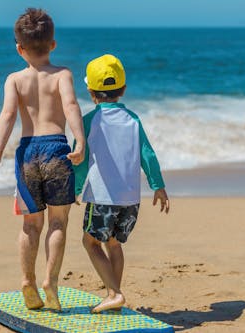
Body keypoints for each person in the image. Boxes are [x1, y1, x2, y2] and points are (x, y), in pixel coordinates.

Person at [0, 8, 85, 311]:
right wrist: (79, 139)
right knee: (58, 222)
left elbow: (7, 115)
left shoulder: (14, 79)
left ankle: (27, 280)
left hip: (27, 152)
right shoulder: (63, 75)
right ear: (53, 44)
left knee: (31, 225)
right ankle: (50, 281)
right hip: (56, 147)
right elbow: (70, 105)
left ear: (19, 49)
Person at [73, 54, 170, 313]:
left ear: (91, 92)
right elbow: (147, 154)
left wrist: (74, 189)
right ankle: (112, 298)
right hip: (130, 200)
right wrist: (157, 185)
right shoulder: (133, 120)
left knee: (90, 242)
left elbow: (80, 159)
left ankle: (115, 293)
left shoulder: (89, 120)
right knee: (113, 243)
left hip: (103, 198)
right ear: (123, 90)